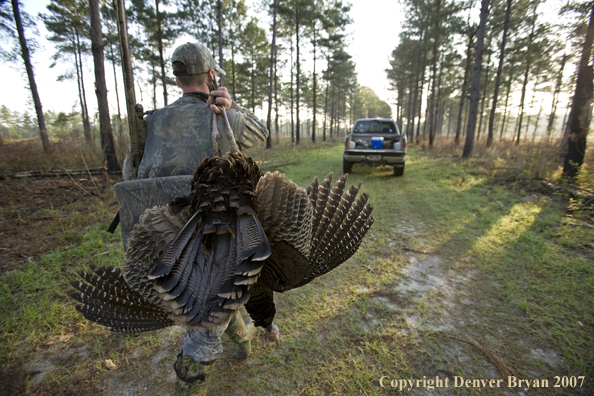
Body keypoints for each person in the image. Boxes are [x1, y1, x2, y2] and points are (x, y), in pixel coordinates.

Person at [121, 42, 269, 396]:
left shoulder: (150, 121)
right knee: (205, 320)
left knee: (212, 308)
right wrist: (232, 107)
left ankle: (244, 338)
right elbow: (260, 137)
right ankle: (208, 367)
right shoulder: (221, 114)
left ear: (179, 79)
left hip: (160, 238)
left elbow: (132, 175)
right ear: (211, 75)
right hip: (209, 241)